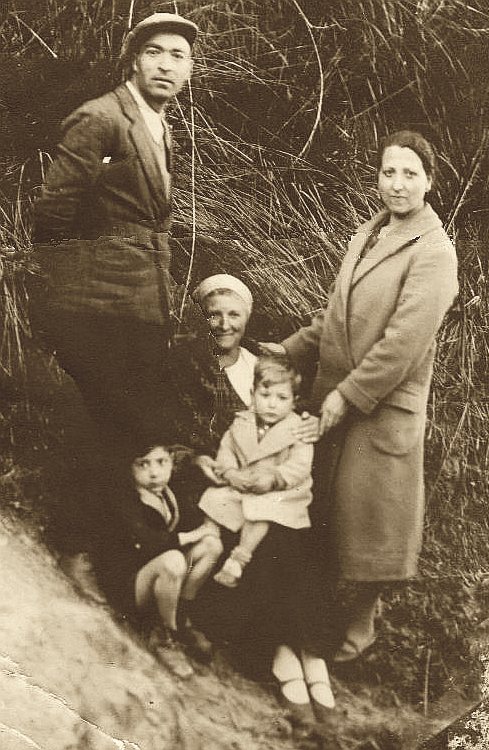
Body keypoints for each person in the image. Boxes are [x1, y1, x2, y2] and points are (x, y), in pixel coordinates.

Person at [265, 130, 459, 663]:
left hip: (380, 407)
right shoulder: (369, 233)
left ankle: (360, 628)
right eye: (388, 172)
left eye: (410, 174)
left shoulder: (436, 253)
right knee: (328, 513)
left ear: (429, 181)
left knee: (372, 523)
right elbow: (334, 317)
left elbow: (402, 343)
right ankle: (313, 619)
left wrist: (348, 395)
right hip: (340, 396)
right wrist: (284, 352)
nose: (397, 184)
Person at [170, 274, 335, 722]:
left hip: (273, 484)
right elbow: (172, 435)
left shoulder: (264, 360)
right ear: (201, 319)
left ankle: (312, 656)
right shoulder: (188, 364)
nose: (224, 324)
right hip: (219, 480)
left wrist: (309, 427)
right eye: (214, 315)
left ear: (247, 319)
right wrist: (197, 462)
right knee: (267, 543)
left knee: (297, 540)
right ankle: (282, 657)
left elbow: (297, 405)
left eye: (233, 315)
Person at [28, 12, 198, 449]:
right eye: (154, 52)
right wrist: (71, 280)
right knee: (110, 431)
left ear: (189, 68)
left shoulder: (159, 126)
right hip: (96, 307)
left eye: (178, 55)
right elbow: (54, 209)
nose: (165, 65)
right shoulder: (101, 118)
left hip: (140, 303)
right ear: (134, 61)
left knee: (130, 434)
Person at [96, 441, 223, 678]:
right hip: (130, 584)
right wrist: (193, 534)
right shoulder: (127, 497)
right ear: (130, 468)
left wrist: (209, 526)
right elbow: (148, 541)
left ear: (171, 463)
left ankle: (179, 614)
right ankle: (164, 633)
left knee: (211, 545)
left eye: (161, 463)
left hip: (162, 578)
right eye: (143, 465)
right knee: (174, 560)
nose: (154, 473)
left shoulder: (168, 490)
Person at [199, 354, 314, 589]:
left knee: (264, 511)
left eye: (282, 398)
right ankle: (208, 534)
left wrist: (275, 478)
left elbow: (300, 465)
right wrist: (230, 472)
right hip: (243, 483)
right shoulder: (242, 421)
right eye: (265, 395)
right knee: (215, 497)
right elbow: (227, 448)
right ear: (252, 395)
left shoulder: (299, 429)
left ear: (294, 401)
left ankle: (239, 558)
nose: (272, 404)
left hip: (280, 492)